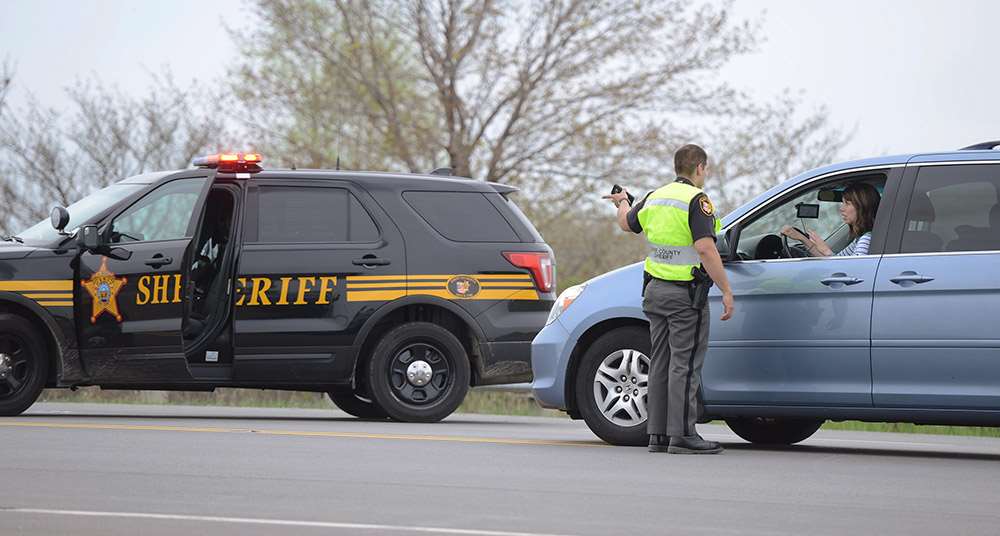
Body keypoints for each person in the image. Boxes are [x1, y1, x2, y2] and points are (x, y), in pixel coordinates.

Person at [605, 144, 735, 455]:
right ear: (699, 168)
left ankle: (658, 435)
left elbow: (626, 223)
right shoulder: (697, 201)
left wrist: (622, 202)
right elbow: (705, 248)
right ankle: (683, 434)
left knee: (660, 362)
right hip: (684, 296)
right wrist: (727, 290)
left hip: (654, 292)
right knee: (685, 365)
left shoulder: (655, 196)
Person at [780, 182, 881, 256]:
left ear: (863, 206)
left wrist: (826, 250)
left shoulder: (866, 239)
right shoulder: (859, 239)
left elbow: (852, 271)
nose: (841, 208)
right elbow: (834, 261)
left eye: (847, 203)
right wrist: (803, 239)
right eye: (842, 203)